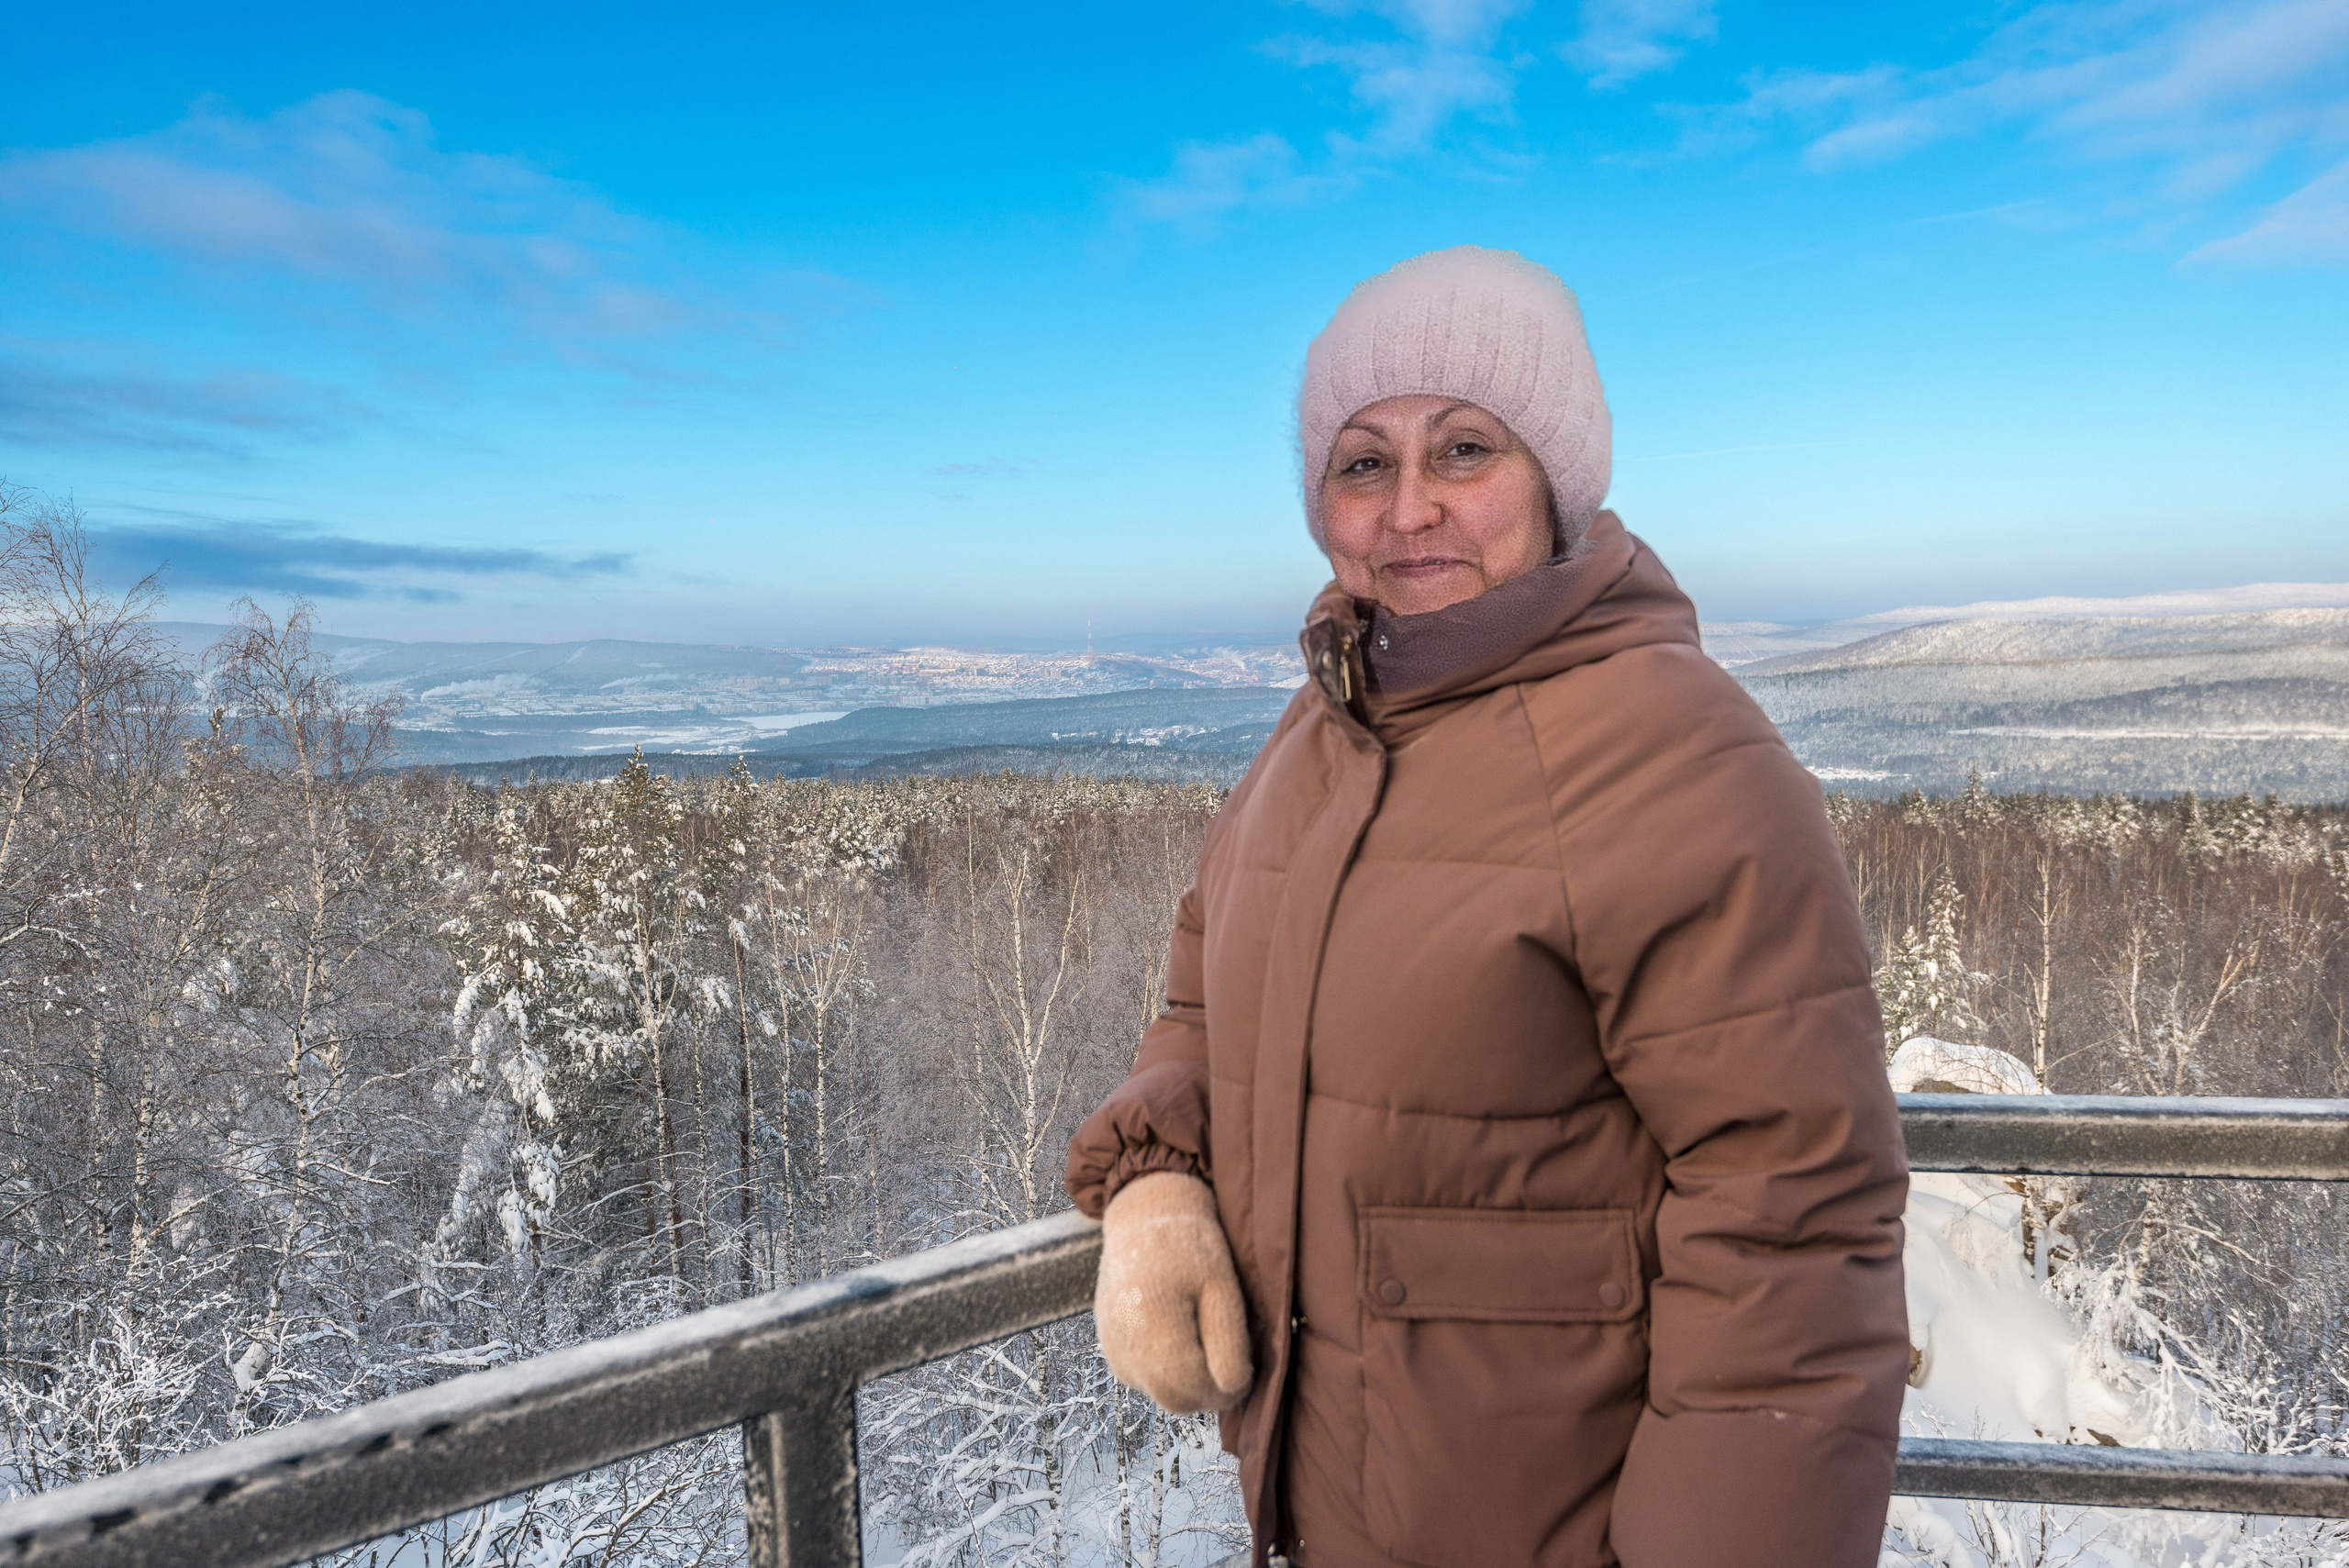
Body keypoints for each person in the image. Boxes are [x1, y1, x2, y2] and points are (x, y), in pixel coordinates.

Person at [1064, 246, 1909, 1568]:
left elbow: (1789, 1240)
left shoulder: (1682, 759)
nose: (1409, 511)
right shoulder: (1326, 727)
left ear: (1554, 477)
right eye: (1362, 462)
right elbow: (1205, 978)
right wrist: (1158, 1179)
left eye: (1464, 450)